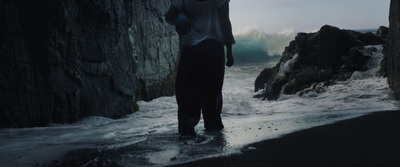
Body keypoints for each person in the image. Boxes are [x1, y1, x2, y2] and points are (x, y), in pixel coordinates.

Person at [166, 0, 235, 136]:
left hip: (191, 48)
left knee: (187, 90)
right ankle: (213, 131)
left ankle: (188, 126)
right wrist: (230, 51)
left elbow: (169, 17)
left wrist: (182, 17)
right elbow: (225, 22)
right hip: (214, 47)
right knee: (212, 92)